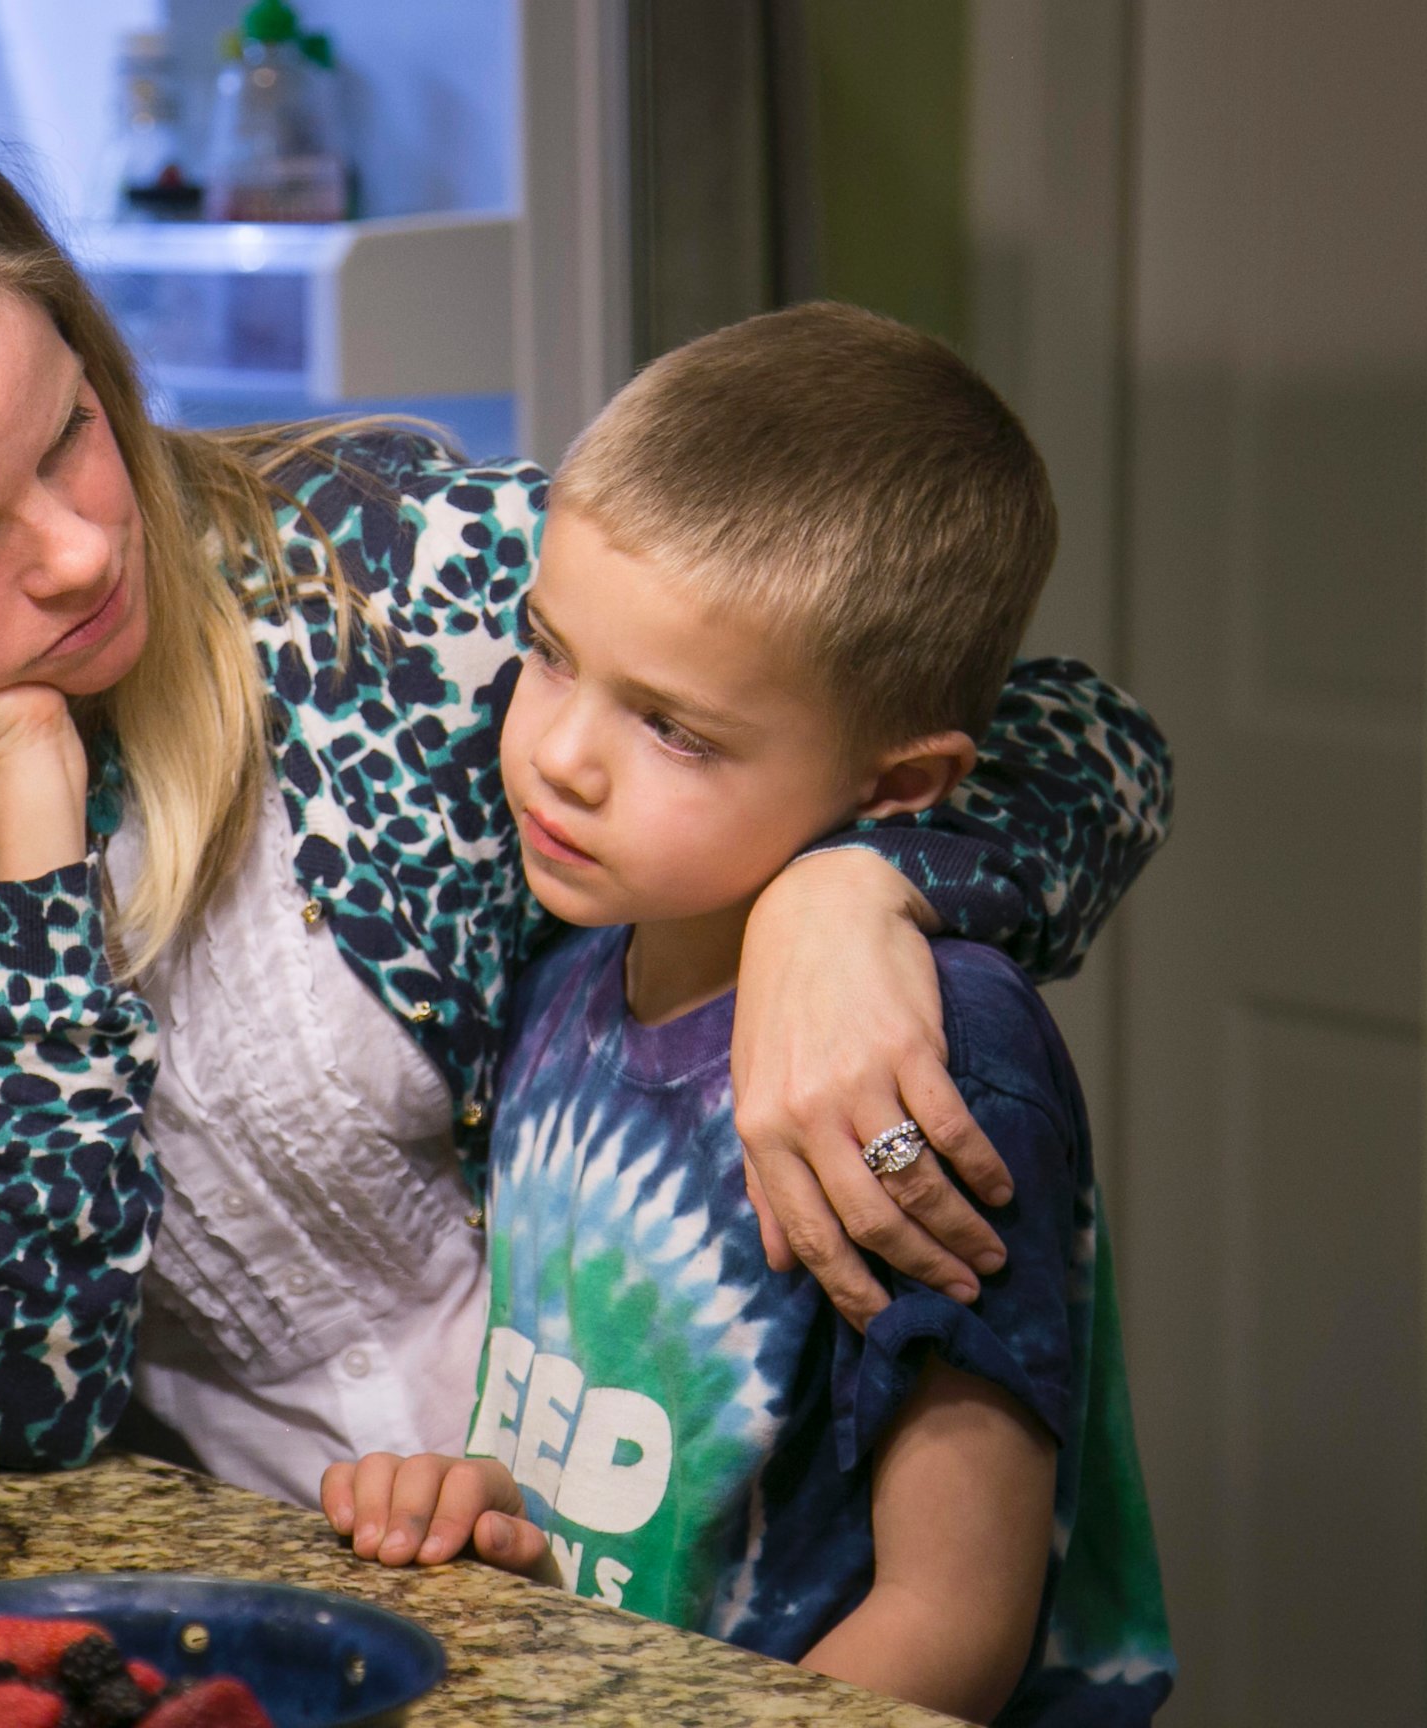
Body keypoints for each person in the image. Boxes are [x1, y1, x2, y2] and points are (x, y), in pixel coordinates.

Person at [0, 88, 1173, 1510]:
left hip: (693, 1585)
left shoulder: (368, 580)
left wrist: (847, 891)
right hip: (283, 1634)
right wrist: (27, 818)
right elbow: (15, 1384)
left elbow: (1091, 746)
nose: (76, 549)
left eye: (64, 433)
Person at [321, 305, 1173, 1724]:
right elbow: (651, 1505)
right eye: (549, 650)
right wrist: (493, 1521)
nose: (559, 755)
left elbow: (954, 1624)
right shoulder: (568, 976)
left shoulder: (937, 1060)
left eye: (673, 727)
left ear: (901, 787)